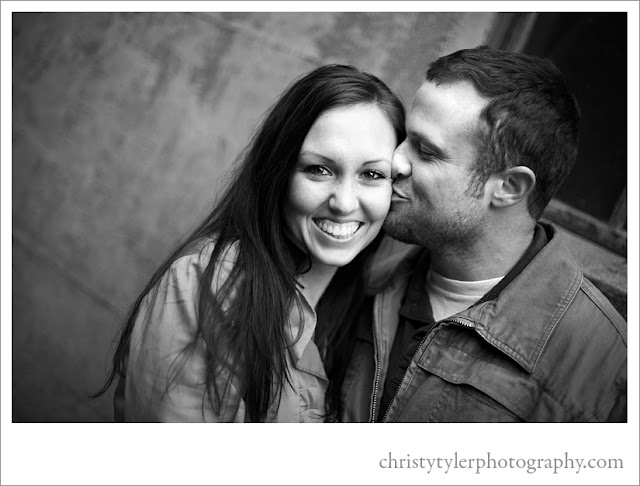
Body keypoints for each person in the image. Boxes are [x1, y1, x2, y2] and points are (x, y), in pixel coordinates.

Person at [93, 64, 405, 422]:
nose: (345, 203)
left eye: (372, 174)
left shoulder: (370, 313)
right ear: (278, 171)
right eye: (319, 169)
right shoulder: (208, 287)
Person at [341, 46, 627, 423]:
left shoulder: (607, 366)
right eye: (405, 137)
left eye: (426, 151)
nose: (395, 161)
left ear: (509, 187)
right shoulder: (363, 266)